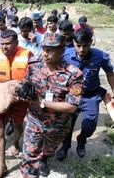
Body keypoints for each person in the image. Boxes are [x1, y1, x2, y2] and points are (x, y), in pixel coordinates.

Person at [21, 33, 83, 177]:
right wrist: (23, 90)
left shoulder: (73, 74)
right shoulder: (33, 65)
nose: (45, 53)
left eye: (50, 50)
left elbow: (72, 106)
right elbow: (25, 83)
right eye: (44, 48)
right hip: (34, 120)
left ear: (61, 50)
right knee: (29, 156)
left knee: (49, 149)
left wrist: (42, 102)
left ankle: (45, 158)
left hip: (58, 125)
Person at [56, 28, 114, 161]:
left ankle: (81, 139)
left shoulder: (101, 56)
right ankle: (65, 146)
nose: (81, 49)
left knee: (90, 127)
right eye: (78, 46)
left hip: (91, 95)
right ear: (73, 43)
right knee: (67, 125)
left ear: (91, 42)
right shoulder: (65, 55)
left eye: (85, 46)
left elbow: (110, 73)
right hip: (70, 96)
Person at [0, 29, 32, 178]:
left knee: (18, 125)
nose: (4, 47)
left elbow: (32, 81)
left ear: (16, 43)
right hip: (1, 99)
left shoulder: (27, 55)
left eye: (8, 44)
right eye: (2, 44)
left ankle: (15, 143)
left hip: (19, 101)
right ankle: (1, 164)